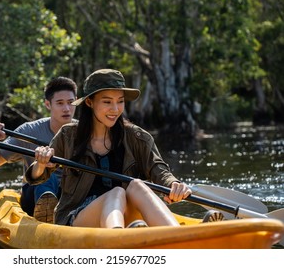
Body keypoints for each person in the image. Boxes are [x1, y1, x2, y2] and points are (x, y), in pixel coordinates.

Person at [25, 68, 193, 228]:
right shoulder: (68, 135)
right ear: (90, 102)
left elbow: (158, 169)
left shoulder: (136, 136)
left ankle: (177, 234)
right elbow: (38, 177)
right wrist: (40, 164)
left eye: (120, 101)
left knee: (136, 185)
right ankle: (118, 236)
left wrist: (173, 184)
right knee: (117, 192)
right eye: (107, 102)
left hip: (127, 213)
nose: (115, 109)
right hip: (78, 215)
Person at [0, 77, 77, 223]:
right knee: (47, 176)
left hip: (70, 195)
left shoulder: (85, 132)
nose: (66, 108)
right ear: (48, 104)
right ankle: (46, 210)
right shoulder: (29, 131)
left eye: (71, 102)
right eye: (60, 103)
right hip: (34, 196)